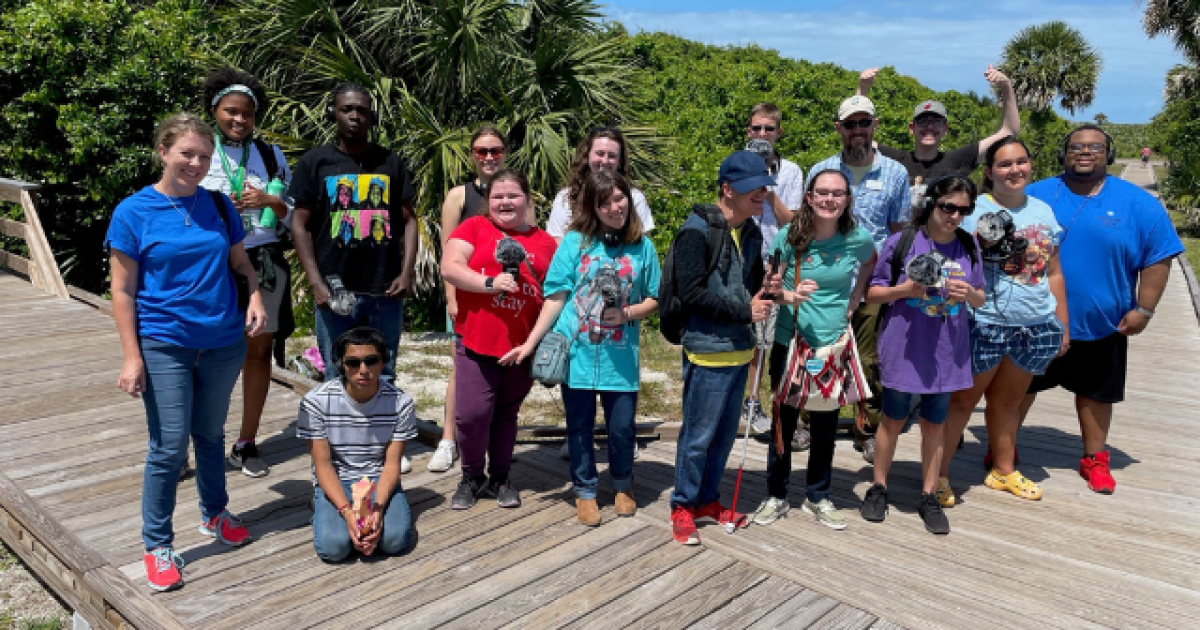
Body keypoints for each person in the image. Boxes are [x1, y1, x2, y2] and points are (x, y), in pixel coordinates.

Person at [106, 113, 266, 591]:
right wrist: (131, 356)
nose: (195, 164)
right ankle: (157, 543)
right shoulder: (133, 212)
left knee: (211, 434)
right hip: (164, 342)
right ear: (163, 151)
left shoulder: (218, 206)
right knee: (169, 446)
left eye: (203, 156)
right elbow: (122, 290)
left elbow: (241, 262)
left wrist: (254, 295)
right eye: (186, 154)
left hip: (222, 341)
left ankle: (213, 513)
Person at [1022, 125, 1183, 494]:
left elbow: (1159, 258)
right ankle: (1003, 450)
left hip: (1103, 321)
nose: (1084, 153)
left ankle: (1095, 459)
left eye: (1094, 148)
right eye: (1076, 147)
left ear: (1107, 155)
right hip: (1036, 318)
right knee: (1019, 390)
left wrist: (1145, 308)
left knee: (1096, 395)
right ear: (1064, 154)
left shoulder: (1137, 202)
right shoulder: (1035, 194)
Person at [507, 171, 661, 526]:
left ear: (629, 200)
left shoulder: (644, 247)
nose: (614, 207)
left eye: (619, 198)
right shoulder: (575, 242)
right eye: (604, 202)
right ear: (592, 207)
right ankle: (585, 489)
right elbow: (556, 296)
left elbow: (655, 297)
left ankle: (623, 483)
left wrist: (627, 313)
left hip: (620, 356)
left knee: (622, 426)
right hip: (577, 352)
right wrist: (531, 342)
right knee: (579, 426)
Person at [289, 82, 419, 471]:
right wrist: (315, 281)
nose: (355, 116)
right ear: (334, 113)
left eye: (362, 110)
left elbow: (410, 221)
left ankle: (386, 448)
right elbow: (299, 223)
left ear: (372, 117)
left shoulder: (390, 162)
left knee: (385, 367)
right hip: (336, 287)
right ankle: (337, 450)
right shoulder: (317, 163)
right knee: (336, 372)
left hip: (384, 287)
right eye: (347, 109)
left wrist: (407, 270)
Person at [938, 137, 1069, 506]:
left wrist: (1062, 321)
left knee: (1009, 403)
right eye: (1005, 164)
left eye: (1021, 162)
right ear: (990, 172)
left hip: (1034, 323)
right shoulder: (972, 209)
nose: (1015, 170)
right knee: (963, 402)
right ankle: (939, 474)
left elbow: (1054, 272)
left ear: (1030, 165)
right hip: (984, 321)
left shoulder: (1043, 211)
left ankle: (1004, 469)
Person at [750, 169, 876, 531]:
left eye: (837, 194)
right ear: (809, 197)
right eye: (822, 193)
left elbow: (870, 261)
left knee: (826, 423)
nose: (829, 199)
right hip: (792, 341)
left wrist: (856, 296)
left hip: (833, 343)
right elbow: (769, 286)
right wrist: (791, 295)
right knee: (783, 423)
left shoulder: (857, 238)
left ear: (847, 200)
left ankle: (818, 495)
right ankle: (776, 493)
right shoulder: (791, 237)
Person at [861, 174, 986, 535]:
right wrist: (907, 289)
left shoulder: (968, 245)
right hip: (905, 348)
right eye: (948, 207)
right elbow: (873, 293)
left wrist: (968, 295)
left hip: (947, 352)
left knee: (935, 425)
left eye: (964, 209)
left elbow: (980, 296)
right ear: (932, 202)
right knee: (892, 419)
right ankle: (879, 486)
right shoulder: (902, 242)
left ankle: (928, 494)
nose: (955, 216)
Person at [668, 150, 779, 546]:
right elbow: (691, 294)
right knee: (697, 437)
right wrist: (745, 310)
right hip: (707, 349)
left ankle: (707, 501)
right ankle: (682, 504)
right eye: (754, 189)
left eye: (764, 188)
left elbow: (748, 288)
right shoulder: (696, 230)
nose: (761, 195)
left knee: (724, 436)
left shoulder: (749, 230)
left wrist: (769, 291)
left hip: (740, 349)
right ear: (727, 189)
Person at [441, 169, 557, 510]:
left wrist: (535, 344)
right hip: (475, 339)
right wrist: (489, 283)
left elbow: (555, 294)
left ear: (527, 200)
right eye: (497, 197)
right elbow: (450, 266)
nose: (505, 202)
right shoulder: (473, 228)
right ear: (487, 202)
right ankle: (471, 475)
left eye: (513, 196)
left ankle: (501, 477)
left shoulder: (545, 242)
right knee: (471, 415)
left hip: (521, 345)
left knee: (507, 414)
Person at [199, 67, 294, 479]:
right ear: (215, 111)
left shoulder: (272, 156)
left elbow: (290, 215)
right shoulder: (198, 151)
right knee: (203, 353)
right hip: (210, 265)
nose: (239, 120)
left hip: (263, 262)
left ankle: (246, 441)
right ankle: (200, 440)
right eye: (230, 112)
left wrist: (270, 200)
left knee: (258, 353)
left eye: (247, 114)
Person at [806, 96, 911, 462]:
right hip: (825, 284)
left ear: (874, 125)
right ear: (839, 128)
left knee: (870, 361)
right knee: (816, 354)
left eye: (864, 122)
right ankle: (808, 417)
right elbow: (807, 226)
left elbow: (899, 233)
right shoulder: (821, 169)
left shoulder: (896, 173)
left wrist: (895, 286)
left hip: (873, 285)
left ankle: (867, 429)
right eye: (850, 124)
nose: (857, 131)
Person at [297, 326, 417, 562]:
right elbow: (322, 465)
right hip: (337, 478)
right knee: (334, 549)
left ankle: (348, 517)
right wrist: (346, 512)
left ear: (383, 362)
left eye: (371, 361)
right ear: (341, 364)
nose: (363, 370)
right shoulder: (315, 402)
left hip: (378, 478)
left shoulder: (401, 403)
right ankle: (324, 506)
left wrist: (378, 509)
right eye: (353, 363)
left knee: (394, 541)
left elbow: (392, 464)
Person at [430, 125, 509, 473]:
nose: (489, 157)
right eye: (481, 151)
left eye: (495, 150)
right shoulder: (458, 197)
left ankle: (492, 443)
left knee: (503, 372)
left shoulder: (516, 193)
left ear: (504, 153)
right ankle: (449, 440)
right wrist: (451, 298)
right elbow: (447, 253)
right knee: (462, 369)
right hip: (466, 298)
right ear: (472, 155)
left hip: (505, 298)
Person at [741, 103, 807, 449]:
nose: (762, 135)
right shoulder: (736, 163)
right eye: (756, 129)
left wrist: (768, 183)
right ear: (748, 132)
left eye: (769, 129)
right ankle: (750, 403)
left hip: (777, 261)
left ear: (779, 133)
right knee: (751, 336)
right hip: (745, 260)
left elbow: (791, 222)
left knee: (774, 337)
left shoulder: (792, 171)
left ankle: (779, 408)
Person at [856, 65, 1020, 187]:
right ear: (911, 128)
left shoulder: (957, 161)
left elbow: (1009, 131)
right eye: (923, 121)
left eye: (936, 122)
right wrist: (862, 90)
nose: (929, 127)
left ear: (945, 129)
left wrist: (1007, 87)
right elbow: (857, 140)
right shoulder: (897, 161)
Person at [545, 127, 655, 242]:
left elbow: (642, 245)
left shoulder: (635, 197)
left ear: (619, 161)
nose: (605, 161)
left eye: (612, 156)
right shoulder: (565, 198)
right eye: (600, 154)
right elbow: (558, 244)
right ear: (587, 155)